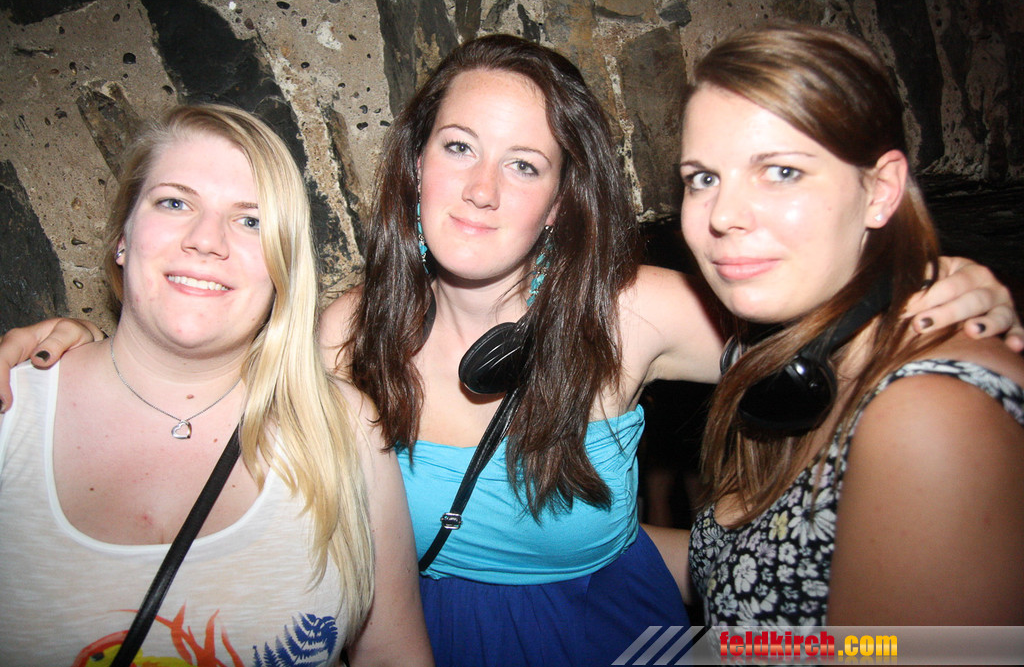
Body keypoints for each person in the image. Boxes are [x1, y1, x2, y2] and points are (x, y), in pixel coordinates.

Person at [1, 36, 1020, 663]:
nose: (483, 189)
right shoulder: (337, 334)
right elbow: (189, 368)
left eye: (525, 164)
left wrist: (929, 287)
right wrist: (74, 341)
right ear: (414, 168)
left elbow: (829, 341)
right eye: (458, 147)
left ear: (559, 202)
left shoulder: (633, 312)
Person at [0, 104, 432, 666]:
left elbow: (392, 655)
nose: (206, 240)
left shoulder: (346, 431)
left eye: (251, 221)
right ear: (122, 237)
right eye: (174, 202)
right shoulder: (12, 410)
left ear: (283, 265)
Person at [680, 24, 1024, 625]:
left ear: (881, 190)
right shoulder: (781, 352)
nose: (724, 215)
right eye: (702, 179)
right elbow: (751, 574)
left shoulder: (931, 413)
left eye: (781, 171)